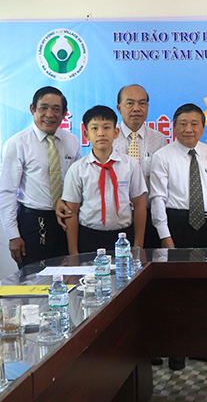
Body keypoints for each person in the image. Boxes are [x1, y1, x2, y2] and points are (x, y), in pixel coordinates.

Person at [150, 103, 207, 370]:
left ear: (203, 127)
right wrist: (165, 234)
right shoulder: (162, 156)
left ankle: (203, 345)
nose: (189, 129)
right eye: (183, 123)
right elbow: (158, 199)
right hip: (178, 225)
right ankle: (176, 350)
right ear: (173, 127)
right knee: (176, 288)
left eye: (195, 123)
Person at [0, 87, 80, 267]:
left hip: (66, 223)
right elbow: (6, 191)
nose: (49, 114)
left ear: (64, 113)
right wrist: (13, 235)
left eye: (56, 109)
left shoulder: (72, 141)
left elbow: (77, 183)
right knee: (35, 284)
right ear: (32, 109)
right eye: (43, 108)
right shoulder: (17, 143)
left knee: (69, 282)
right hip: (33, 225)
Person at [62, 106, 147, 254]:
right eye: (94, 128)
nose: (101, 133)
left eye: (106, 127)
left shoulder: (130, 165)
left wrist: (138, 245)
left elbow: (140, 206)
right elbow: (72, 212)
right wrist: (73, 252)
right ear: (86, 134)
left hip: (123, 237)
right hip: (89, 236)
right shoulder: (77, 169)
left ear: (116, 133)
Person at [113, 84, 167, 248]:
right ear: (119, 108)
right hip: (118, 216)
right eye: (130, 103)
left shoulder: (159, 140)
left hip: (150, 216)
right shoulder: (109, 138)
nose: (136, 108)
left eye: (142, 103)